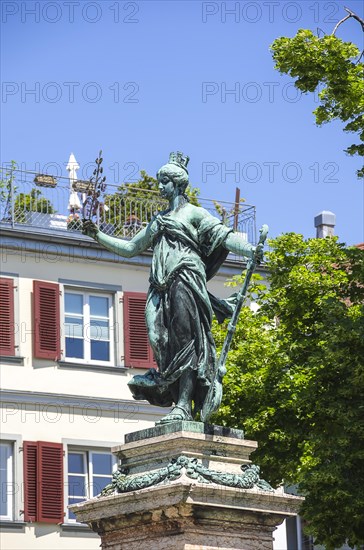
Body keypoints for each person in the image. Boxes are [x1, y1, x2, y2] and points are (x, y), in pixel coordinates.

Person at [83, 152, 261, 424]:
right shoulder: (159, 219)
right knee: (158, 337)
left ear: (177, 184)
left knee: (184, 340)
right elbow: (131, 248)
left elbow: (224, 237)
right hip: (160, 285)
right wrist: (97, 235)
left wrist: (250, 250)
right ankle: (172, 390)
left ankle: (183, 404)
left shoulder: (194, 214)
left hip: (185, 279)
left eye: (163, 181)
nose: (159, 187)